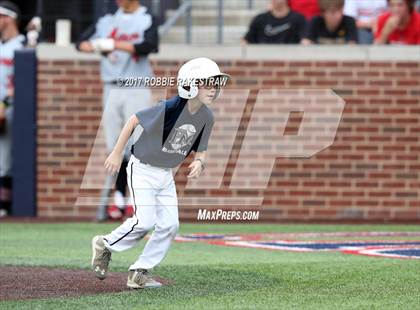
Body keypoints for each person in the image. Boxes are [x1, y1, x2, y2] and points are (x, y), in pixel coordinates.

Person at [90, 57, 229, 289]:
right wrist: (116, 153)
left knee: (170, 225)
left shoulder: (207, 117)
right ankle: (105, 244)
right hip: (142, 168)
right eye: (207, 83)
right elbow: (133, 120)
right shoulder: (170, 108)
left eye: (215, 84)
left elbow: (201, 151)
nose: (213, 89)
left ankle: (139, 272)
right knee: (144, 222)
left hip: (165, 175)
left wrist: (200, 163)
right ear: (190, 84)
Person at [77, 0, 159, 221]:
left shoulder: (146, 17)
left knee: (138, 144)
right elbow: (81, 43)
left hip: (136, 85)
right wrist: (97, 46)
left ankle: (136, 201)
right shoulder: (106, 19)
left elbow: (149, 46)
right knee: (116, 146)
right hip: (111, 86)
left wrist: (114, 44)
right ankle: (119, 200)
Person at [0, 1, 25, 217]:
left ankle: (4, 207)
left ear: (8, 18)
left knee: (5, 159)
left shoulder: (22, 44)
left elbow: (20, 82)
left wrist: (3, 105)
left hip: (9, 108)